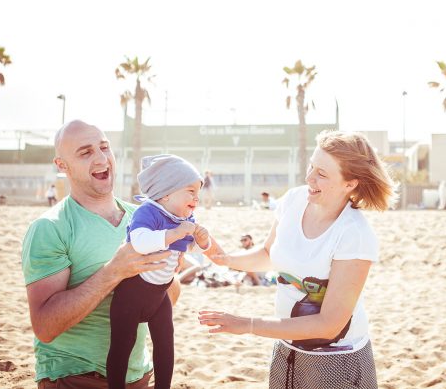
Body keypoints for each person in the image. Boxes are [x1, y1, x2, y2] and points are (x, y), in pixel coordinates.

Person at [199, 130, 396, 389]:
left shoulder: (355, 234)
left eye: (322, 174)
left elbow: (329, 325)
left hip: (336, 360)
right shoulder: (293, 199)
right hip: (286, 348)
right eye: (311, 166)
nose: (309, 177)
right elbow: (269, 254)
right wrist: (225, 260)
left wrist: (246, 324)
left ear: (350, 184)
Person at [20, 120, 210, 388]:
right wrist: (114, 272)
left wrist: (169, 270)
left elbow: (169, 297)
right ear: (62, 165)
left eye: (104, 147)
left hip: (139, 376)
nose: (101, 158)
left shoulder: (145, 217)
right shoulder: (50, 227)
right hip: (76, 376)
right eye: (85, 152)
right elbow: (45, 327)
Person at [107, 154, 218, 389]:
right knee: (122, 345)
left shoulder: (185, 217)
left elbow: (193, 247)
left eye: (198, 193)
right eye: (190, 191)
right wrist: (174, 234)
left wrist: (202, 240)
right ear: (166, 192)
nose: (196, 199)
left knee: (166, 343)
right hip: (131, 294)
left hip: (159, 295)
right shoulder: (148, 212)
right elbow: (139, 241)